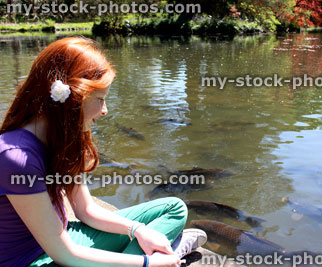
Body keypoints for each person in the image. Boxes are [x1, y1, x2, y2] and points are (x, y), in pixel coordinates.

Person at [0, 36, 207, 267]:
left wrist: (137, 230)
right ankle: (169, 253)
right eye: (100, 99)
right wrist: (147, 263)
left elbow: (86, 210)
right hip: (36, 260)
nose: (105, 110)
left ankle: (162, 250)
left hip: (64, 239)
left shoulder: (64, 140)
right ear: (72, 99)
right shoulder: (15, 157)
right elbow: (64, 254)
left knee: (174, 208)